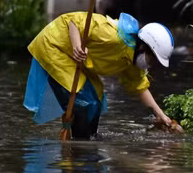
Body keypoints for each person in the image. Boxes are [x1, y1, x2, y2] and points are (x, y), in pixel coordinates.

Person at [23, 11, 183, 139]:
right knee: (83, 100)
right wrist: (77, 46)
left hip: (77, 60)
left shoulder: (132, 61)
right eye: (152, 58)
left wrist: (161, 116)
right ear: (143, 47)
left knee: (96, 97)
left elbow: (139, 87)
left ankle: (89, 139)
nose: (151, 64)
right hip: (55, 45)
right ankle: (80, 143)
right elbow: (72, 21)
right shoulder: (112, 36)